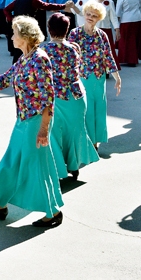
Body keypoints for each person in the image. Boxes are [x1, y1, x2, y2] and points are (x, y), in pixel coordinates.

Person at [0, 16, 63, 228]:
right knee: (11, 161)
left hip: (37, 120)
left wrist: (44, 130)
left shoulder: (40, 59)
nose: (11, 36)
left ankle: (53, 212)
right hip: (23, 120)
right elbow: (1, 80)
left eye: (14, 33)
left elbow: (49, 97)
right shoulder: (25, 58)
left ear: (25, 36)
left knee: (36, 164)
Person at [43, 13, 98, 180]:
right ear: (67, 29)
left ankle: (57, 169)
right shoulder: (74, 47)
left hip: (56, 96)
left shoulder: (44, 49)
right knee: (74, 132)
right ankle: (74, 166)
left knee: (54, 133)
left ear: (49, 29)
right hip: (76, 95)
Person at [68, 0, 123, 151]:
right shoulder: (75, 34)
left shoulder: (102, 35)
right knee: (86, 110)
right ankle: (86, 141)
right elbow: (69, 58)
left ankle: (95, 142)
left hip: (99, 79)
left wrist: (117, 77)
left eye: (94, 15)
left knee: (99, 109)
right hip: (82, 78)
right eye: (88, 14)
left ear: (99, 18)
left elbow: (108, 56)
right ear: (84, 14)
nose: (90, 17)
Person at [3, 0, 69, 62]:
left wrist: (11, 19)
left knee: (18, 50)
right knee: (31, 48)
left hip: (18, 27)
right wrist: (63, 6)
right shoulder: (33, 0)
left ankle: (16, 68)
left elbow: (6, 9)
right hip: (28, 27)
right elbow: (47, 6)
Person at [116, 0, 141, 67]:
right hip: (137, 18)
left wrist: (116, 23)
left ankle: (128, 58)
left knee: (126, 40)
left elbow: (118, 11)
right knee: (134, 39)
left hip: (126, 20)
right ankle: (134, 57)